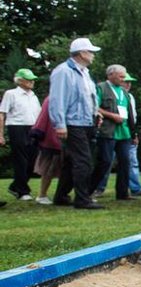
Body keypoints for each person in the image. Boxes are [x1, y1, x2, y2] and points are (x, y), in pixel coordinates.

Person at [49, 37, 103, 209]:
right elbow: (57, 99)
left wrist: (96, 112)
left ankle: (61, 195)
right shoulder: (63, 71)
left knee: (72, 161)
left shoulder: (84, 72)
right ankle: (82, 198)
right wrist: (60, 123)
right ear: (81, 53)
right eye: (91, 52)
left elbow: (88, 97)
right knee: (83, 161)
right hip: (73, 122)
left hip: (86, 122)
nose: (93, 55)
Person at [91, 64, 136, 200]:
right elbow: (95, 107)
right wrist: (112, 115)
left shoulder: (124, 92)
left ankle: (122, 193)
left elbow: (130, 115)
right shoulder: (101, 88)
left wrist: (133, 134)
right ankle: (89, 190)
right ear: (110, 75)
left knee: (125, 162)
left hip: (124, 133)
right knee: (104, 161)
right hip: (107, 132)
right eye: (121, 76)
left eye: (124, 76)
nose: (123, 79)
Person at [1, 68, 41, 200]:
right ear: (20, 81)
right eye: (28, 80)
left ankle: (15, 186)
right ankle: (23, 191)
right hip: (17, 127)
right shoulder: (11, 94)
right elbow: (2, 114)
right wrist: (1, 134)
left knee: (33, 159)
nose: (31, 82)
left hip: (33, 128)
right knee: (21, 160)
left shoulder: (33, 95)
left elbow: (39, 114)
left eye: (32, 80)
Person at [122, 74, 141, 197]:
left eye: (129, 82)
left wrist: (134, 134)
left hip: (129, 132)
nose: (128, 84)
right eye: (126, 82)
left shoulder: (130, 97)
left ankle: (136, 188)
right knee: (106, 162)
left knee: (132, 161)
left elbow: (132, 118)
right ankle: (98, 188)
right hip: (114, 133)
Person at [30, 95, 61, 205]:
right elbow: (43, 118)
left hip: (61, 138)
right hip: (51, 138)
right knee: (48, 168)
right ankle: (42, 194)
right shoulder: (52, 99)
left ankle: (61, 194)